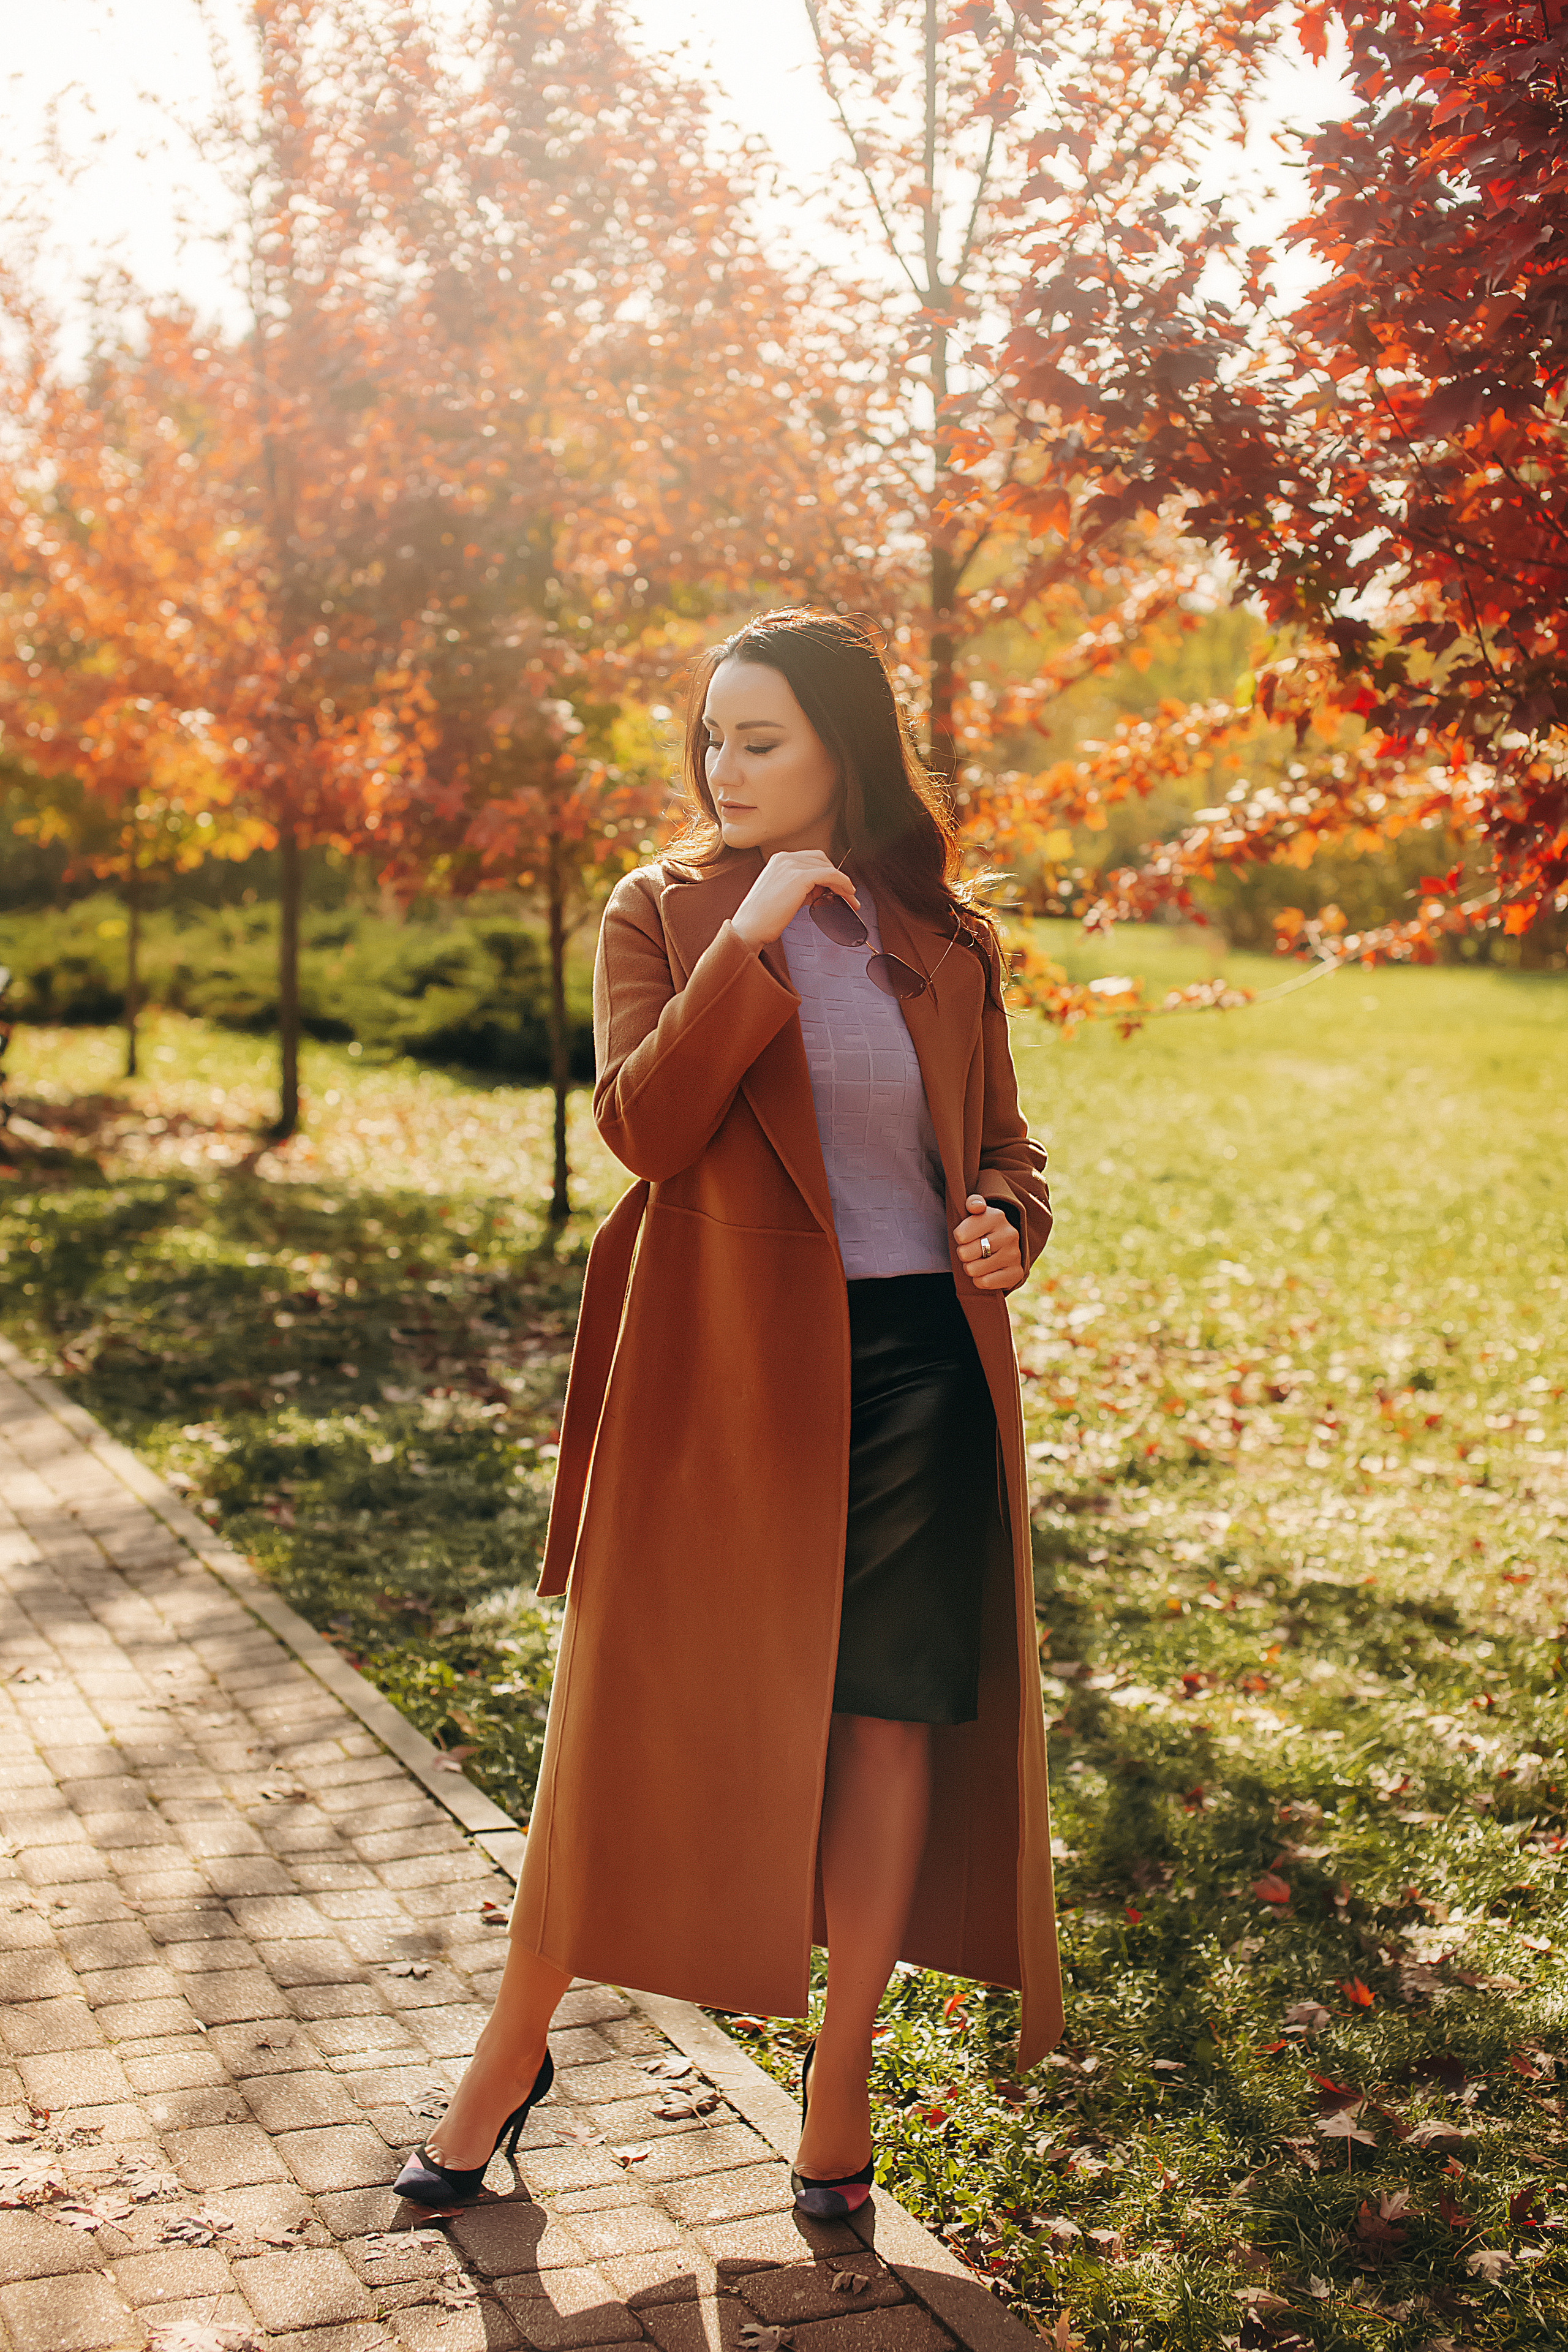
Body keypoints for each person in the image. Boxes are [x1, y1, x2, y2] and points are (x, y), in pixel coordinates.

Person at [395, 608, 1062, 2220]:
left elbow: (1006, 1153)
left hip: (919, 1378)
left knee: (889, 1717)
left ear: (844, 744)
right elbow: (641, 1125)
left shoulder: (947, 936)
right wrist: (750, 939)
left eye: (761, 738)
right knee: (633, 1729)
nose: (727, 765)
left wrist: (1006, 1225)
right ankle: (508, 2058)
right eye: (711, 737)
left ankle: (840, 2084)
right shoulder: (666, 906)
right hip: (721, 1385)